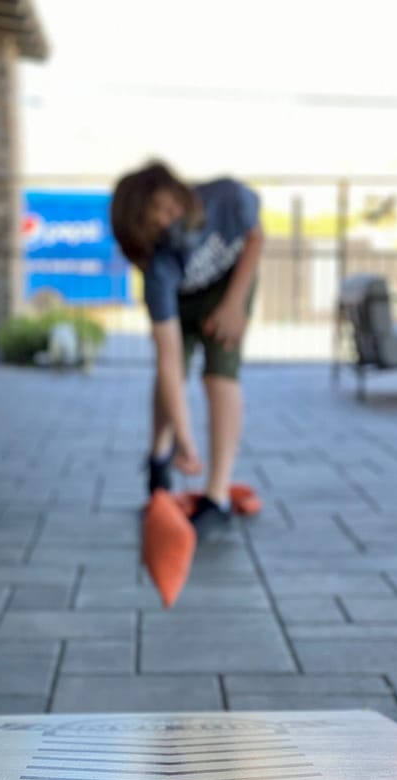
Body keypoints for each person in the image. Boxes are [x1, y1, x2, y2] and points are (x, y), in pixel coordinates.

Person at [111, 161, 263, 539]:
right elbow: (169, 357)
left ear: (177, 190)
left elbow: (255, 238)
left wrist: (234, 305)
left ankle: (217, 497)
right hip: (181, 301)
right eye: (154, 222)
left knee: (220, 375)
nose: (168, 221)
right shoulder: (159, 271)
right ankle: (159, 456)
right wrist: (184, 440)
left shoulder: (227, 196)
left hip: (227, 287)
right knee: (173, 374)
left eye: (167, 208)